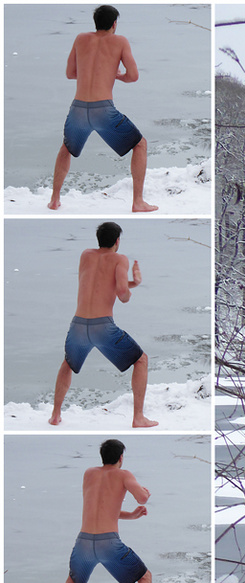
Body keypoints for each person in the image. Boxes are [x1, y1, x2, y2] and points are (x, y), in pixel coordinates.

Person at [50, 6, 157, 213]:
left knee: (66, 148)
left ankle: (54, 199)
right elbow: (133, 76)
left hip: (78, 108)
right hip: (103, 110)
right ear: (114, 24)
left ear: (95, 22)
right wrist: (116, 75)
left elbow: (70, 73)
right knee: (140, 145)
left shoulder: (80, 38)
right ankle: (138, 201)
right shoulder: (120, 41)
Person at [57, 438, 163, 583]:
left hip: (84, 541)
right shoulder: (123, 474)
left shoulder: (89, 473)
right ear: (121, 458)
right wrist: (145, 493)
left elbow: (101, 509)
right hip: (108, 544)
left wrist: (131, 516)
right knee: (145, 577)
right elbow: (142, 498)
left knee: (72, 580)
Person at [54, 221, 156, 427]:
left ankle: (55, 415)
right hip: (102, 327)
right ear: (117, 241)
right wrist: (133, 286)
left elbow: (99, 282)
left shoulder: (85, 255)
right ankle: (138, 417)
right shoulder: (120, 259)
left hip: (78, 325)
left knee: (68, 363)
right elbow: (121, 294)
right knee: (141, 360)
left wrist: (130, 283)